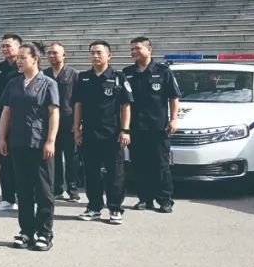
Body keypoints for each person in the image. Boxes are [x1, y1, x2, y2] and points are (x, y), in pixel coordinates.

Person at [0, 43, 60, 252]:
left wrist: (50, 140)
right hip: (18, 142)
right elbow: (6, 112)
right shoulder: (13, 83)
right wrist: (2, 138)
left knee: (44, 190)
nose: (19, 61)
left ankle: (44, 233)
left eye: (23, 57)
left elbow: (53, 113)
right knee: (23, 190)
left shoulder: (48, 83)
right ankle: (26, 231)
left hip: (40, 143)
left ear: (35, 59)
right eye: (19, 58)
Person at [74, 40, 133, 225]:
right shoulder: (83, 77)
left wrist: (125, 130)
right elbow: (78, 104)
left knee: (115, 173)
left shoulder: (118, 77)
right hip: (90, 134)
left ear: (109, 55)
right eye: (92, 53)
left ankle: (115, 209)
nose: (95, 56)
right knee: (91, 172)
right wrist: (76, 128)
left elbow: (126, 105)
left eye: (99, 52)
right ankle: (94, 207)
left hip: (112, 134)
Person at [123, 37, 181, 213]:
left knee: (161, 164)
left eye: (138, 48)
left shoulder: (163, 72)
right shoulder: (128, 72)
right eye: (132, 49)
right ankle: (144, 199)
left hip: (157, 127)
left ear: (149, 49)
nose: (134, 52)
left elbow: (174, 97)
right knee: (139, 164)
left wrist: (173, 119)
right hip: (135, 127)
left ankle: (165, 199)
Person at [0, 34, 22, 211]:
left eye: (8, 46)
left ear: (19, 47)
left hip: (21, 119)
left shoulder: (23, 67)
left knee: (21, 163)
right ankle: (7, 198)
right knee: (5, 160)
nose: (5, 49)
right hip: (2, 117)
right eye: (3, 46)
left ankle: (21, 196)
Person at [45, 43, 81, 202]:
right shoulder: (43, 74)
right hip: (50, 122)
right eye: (49, 53)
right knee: (54, 156)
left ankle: (73, 190)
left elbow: (79, 101)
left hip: (68, 121)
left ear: (64, 55)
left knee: (71, 157)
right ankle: (57, 188)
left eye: (55, 53)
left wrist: (78, 123)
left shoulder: (74, 74)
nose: (52, 56)